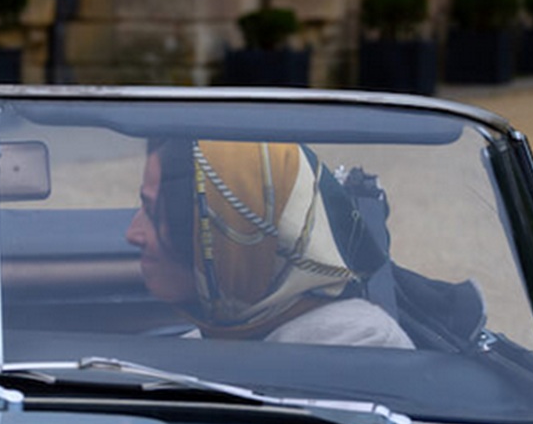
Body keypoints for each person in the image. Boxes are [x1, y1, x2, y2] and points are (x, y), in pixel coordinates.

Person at [125, 138, 414, 348]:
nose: (133, 234)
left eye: (153, 212)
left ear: (230, 236)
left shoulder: (361, 342)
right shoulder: (210, 338)